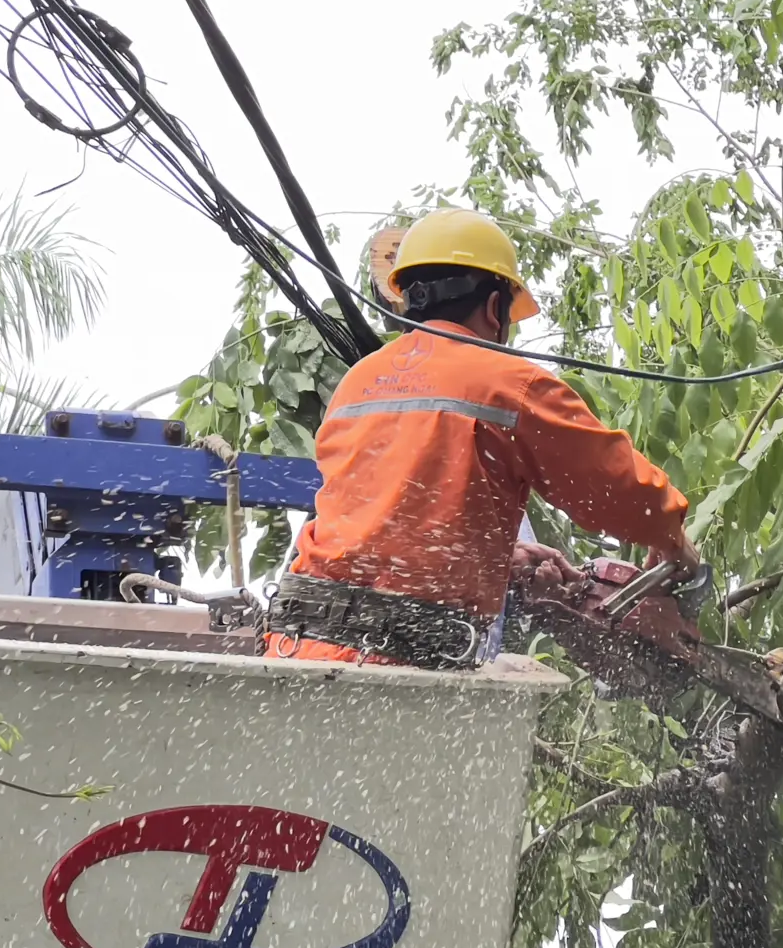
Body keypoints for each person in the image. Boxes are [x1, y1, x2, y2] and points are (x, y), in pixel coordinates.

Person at [266, 207, 699, 667]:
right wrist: (671, 535)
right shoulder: (507, 386)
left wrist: (501, 555)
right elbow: (611, 484)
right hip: (393, 668)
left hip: (296, 647)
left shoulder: (358, 383)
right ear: (495, 308)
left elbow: (380, 524)